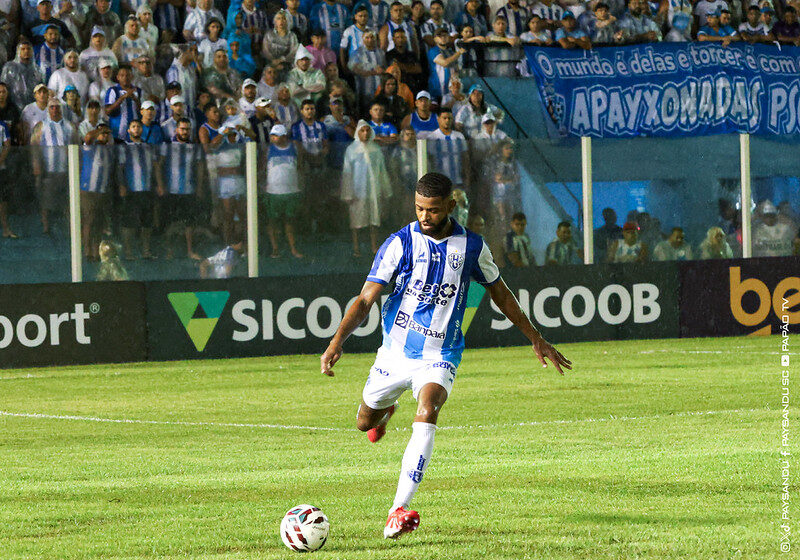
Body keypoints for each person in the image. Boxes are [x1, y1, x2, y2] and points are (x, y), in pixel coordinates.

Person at [320, 172, 571, 540]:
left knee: (429, 408)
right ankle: (386, 410)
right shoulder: (399, 243)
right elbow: (365, 299)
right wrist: (337, 341)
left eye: (433, 210)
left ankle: (397, 509)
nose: (425, 216)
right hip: (395, 353)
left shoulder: (472, 246)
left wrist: (536, 338)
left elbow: (500, 294)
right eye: (420, 208)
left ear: (451, 206)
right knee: (363, 423)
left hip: (441, 353)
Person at [341, 120, 392, 256]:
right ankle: (356, 247)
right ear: (357, 132)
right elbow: (347, 173)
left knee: (374, 219)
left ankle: (374, 246)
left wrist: (385, 191)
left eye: (367, 130)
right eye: (362, 131)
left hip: (374, 190)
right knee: (356, 221)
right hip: (357, 191)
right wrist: (348, 193)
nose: (365, 133)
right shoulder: (351, 150)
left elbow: (382, 171)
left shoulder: (376, 149)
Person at [31, 97, 78, 234]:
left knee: (67, 198)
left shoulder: (69, 126)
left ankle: (69, 225)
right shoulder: (41, 126)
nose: (55, 109)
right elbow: (34, 146)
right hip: (48, 169)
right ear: (48, 109)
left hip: (65, 169)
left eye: (57, 107)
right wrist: (36, 163)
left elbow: (76, 145)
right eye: (52, 107)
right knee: (45, 198)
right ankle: (46, 225)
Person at [118, 118, 164, 259]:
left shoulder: (149, 147)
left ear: (141, 129)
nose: (136, 129)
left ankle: (146, 251)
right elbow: (120, 168)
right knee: (129, 223)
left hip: (147, 189)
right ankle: (128, 252)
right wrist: (122, 185)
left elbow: (156, 167)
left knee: (147, 223)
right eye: (133, 126)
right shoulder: (124, 147)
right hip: (131, 189)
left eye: (138, 126)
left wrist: (160, 184)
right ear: (129, 130)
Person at [163, 117, 204, 260]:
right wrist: (161, 185)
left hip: (189, 190)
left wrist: (199, 187)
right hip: (172, 190)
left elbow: (199, 167)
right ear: (176, 130)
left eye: (187, 129)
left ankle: (189, 251)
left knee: (189, 223)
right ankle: (170, 250)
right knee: (171, 222)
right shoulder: (167, 145)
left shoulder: (194, 146)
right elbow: (160, 164)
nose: (185, 132)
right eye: (182, 129)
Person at [265, 123, 303, 258]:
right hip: (273, 192)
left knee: (290, 221)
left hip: (291, 191)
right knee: (273, 221)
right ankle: (275, 248)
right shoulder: (268, 150)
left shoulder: (295, 148)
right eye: (272, 135)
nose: (273, 138)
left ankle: (293, 248)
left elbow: (300, 166)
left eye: (276, 135)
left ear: (283, 136)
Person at [79, 122, 113, 260]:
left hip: (102, 190)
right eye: (101, 133)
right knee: (89, 220)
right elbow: (87, 138)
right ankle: (86, 249)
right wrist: (99, 131)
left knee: (99, 222)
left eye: (106, 133)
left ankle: (96, 248)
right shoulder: (90, 147)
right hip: (88, 190)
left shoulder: (109, 150)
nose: (104, 135)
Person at [1, 40, 44, 109]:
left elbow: (41, 88)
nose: (26, 51)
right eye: (23, 49)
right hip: (13, 108)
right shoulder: (9, 67)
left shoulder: (37, 69)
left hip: (33, 108)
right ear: (18, 52)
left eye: (28, 49)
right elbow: (3, 87)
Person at [105, 63, 141, 140]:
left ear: (132, 77)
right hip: (117, 133)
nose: (125, 78)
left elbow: (143, 111)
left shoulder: (137, 90)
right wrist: (122, 98)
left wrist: (135, 99)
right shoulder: (113, 90)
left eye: (127, 75)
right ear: (117, 77)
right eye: (122, 75)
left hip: (135, 134)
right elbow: (107, 111)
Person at [0, 114, 17, 238]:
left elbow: (7, 145)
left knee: (3, 201)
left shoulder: (2, 125)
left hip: (1, 170)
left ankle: (6, 229)